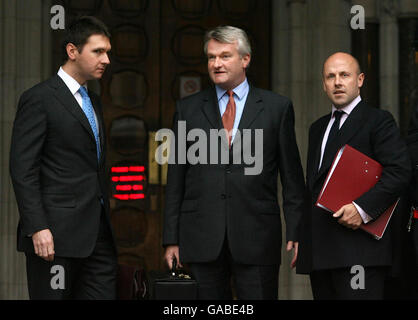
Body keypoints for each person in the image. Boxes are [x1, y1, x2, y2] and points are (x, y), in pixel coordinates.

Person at [162, 25, 306, 299]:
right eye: (211, 57)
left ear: (245, 59)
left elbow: (292, 176)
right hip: (201, 236)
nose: (216, 64)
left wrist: (297, 229)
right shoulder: (187, 109)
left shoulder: (277, 108)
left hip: (257, 236)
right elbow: (176, 177)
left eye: (225, 56)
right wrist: (171, 239)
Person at [9, 16, 117, 299]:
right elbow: (23, 169)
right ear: (72, 51)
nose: (106, 59)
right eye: (98, 51)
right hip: (53, 239)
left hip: (98, 238)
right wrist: (37, 227)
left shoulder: (93, 101)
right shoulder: (39, 98)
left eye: (107, 52)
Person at [296, 52, 411, 299]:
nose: (337, 82)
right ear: (323, 84)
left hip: (360, 252)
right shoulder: (317, 128)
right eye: (330, 76)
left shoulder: (378, 120)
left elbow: (400, 172)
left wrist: (361, 209)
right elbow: (312, 188)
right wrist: (301, 238)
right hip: (321, 252)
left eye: (344, 75)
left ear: (359, 80)